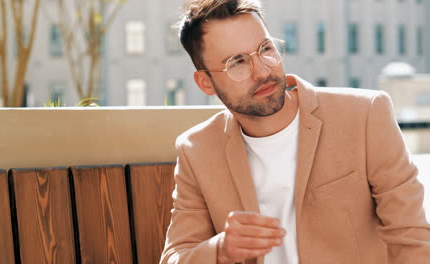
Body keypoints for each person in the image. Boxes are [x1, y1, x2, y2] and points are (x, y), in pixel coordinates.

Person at [160, 0, 430, 263]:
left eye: (266, 48)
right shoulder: (196, 150)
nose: (263, 71)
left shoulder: (365, 115)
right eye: (238, 62)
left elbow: (412, 237)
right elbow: (174, 256)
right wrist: (221, 249)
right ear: (205, 82)